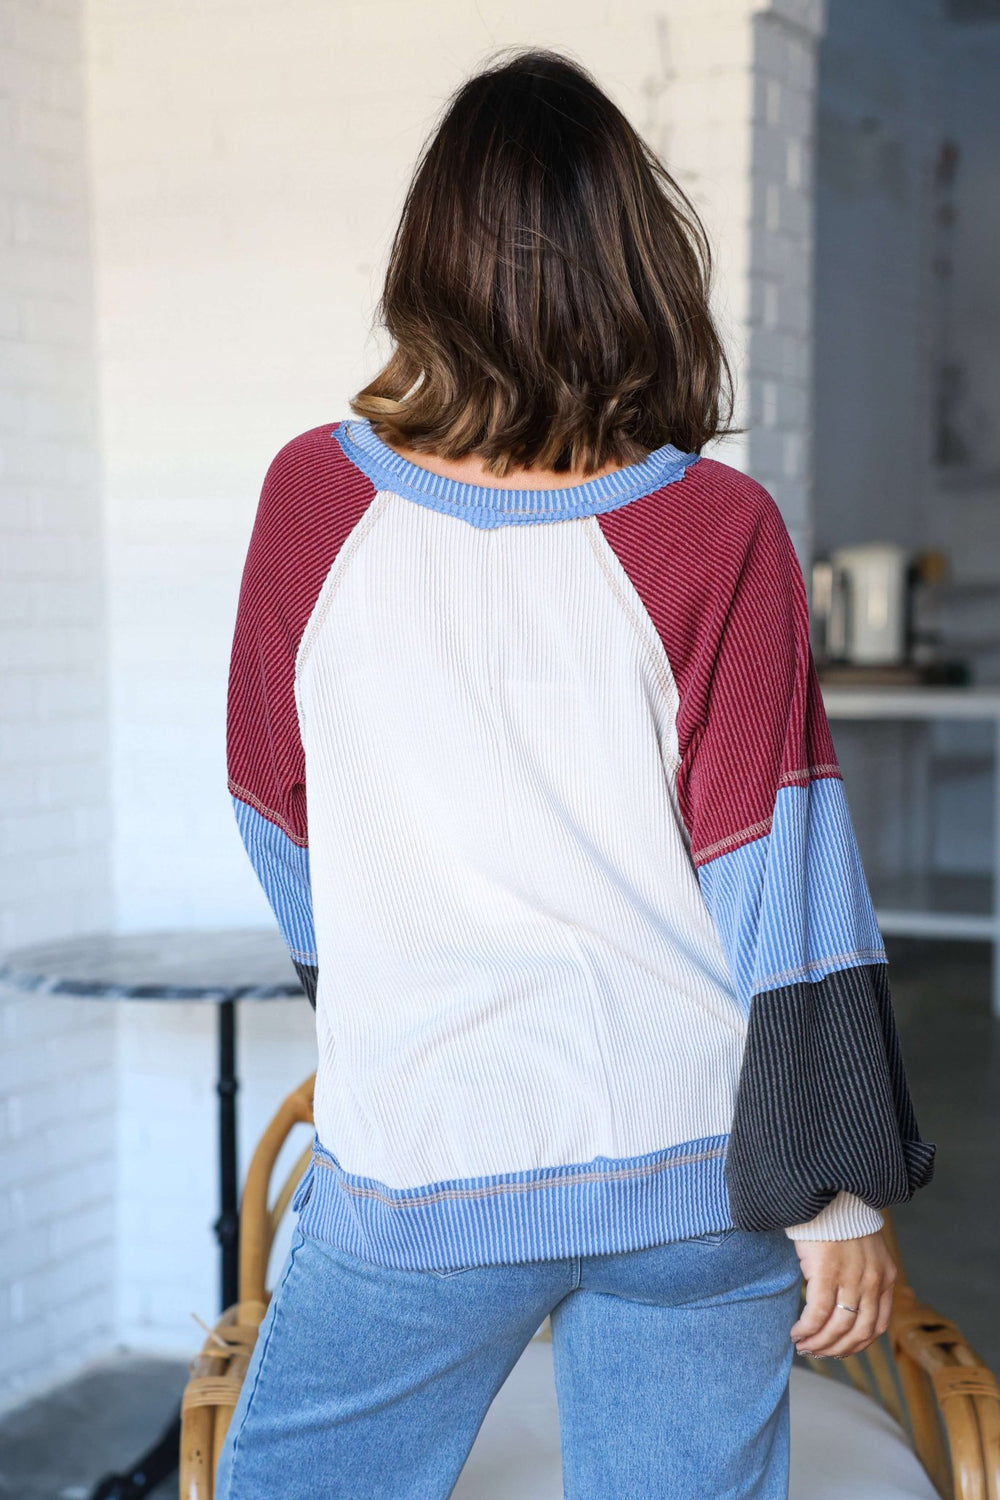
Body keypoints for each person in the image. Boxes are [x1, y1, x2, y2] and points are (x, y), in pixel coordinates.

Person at [216, 45, 935, 1500]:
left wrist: (386, 1000)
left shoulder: (314, 498)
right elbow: (781, 872)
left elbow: (268, 806)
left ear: (428, 264)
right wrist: (834, 1189)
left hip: (422, 1165)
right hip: (691, 1173)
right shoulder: (716, 528)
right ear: (643, 268)